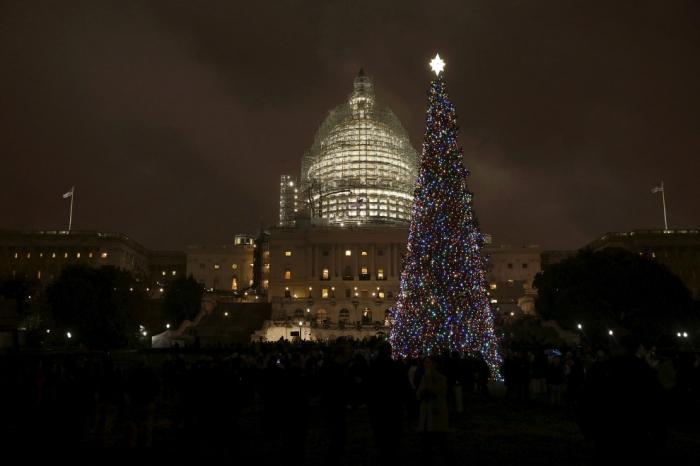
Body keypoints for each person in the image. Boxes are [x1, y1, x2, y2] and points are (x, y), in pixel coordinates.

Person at [417, 356, 451, 463]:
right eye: (425, 362)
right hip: (426, 414)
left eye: (428, 362)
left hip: (437, 414)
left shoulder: (441, 378)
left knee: (441, 442)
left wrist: (427, 378)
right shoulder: (424, 377)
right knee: (426, 443)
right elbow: (419, 393)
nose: (426, 365)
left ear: (435, 364)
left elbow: (434, 391)